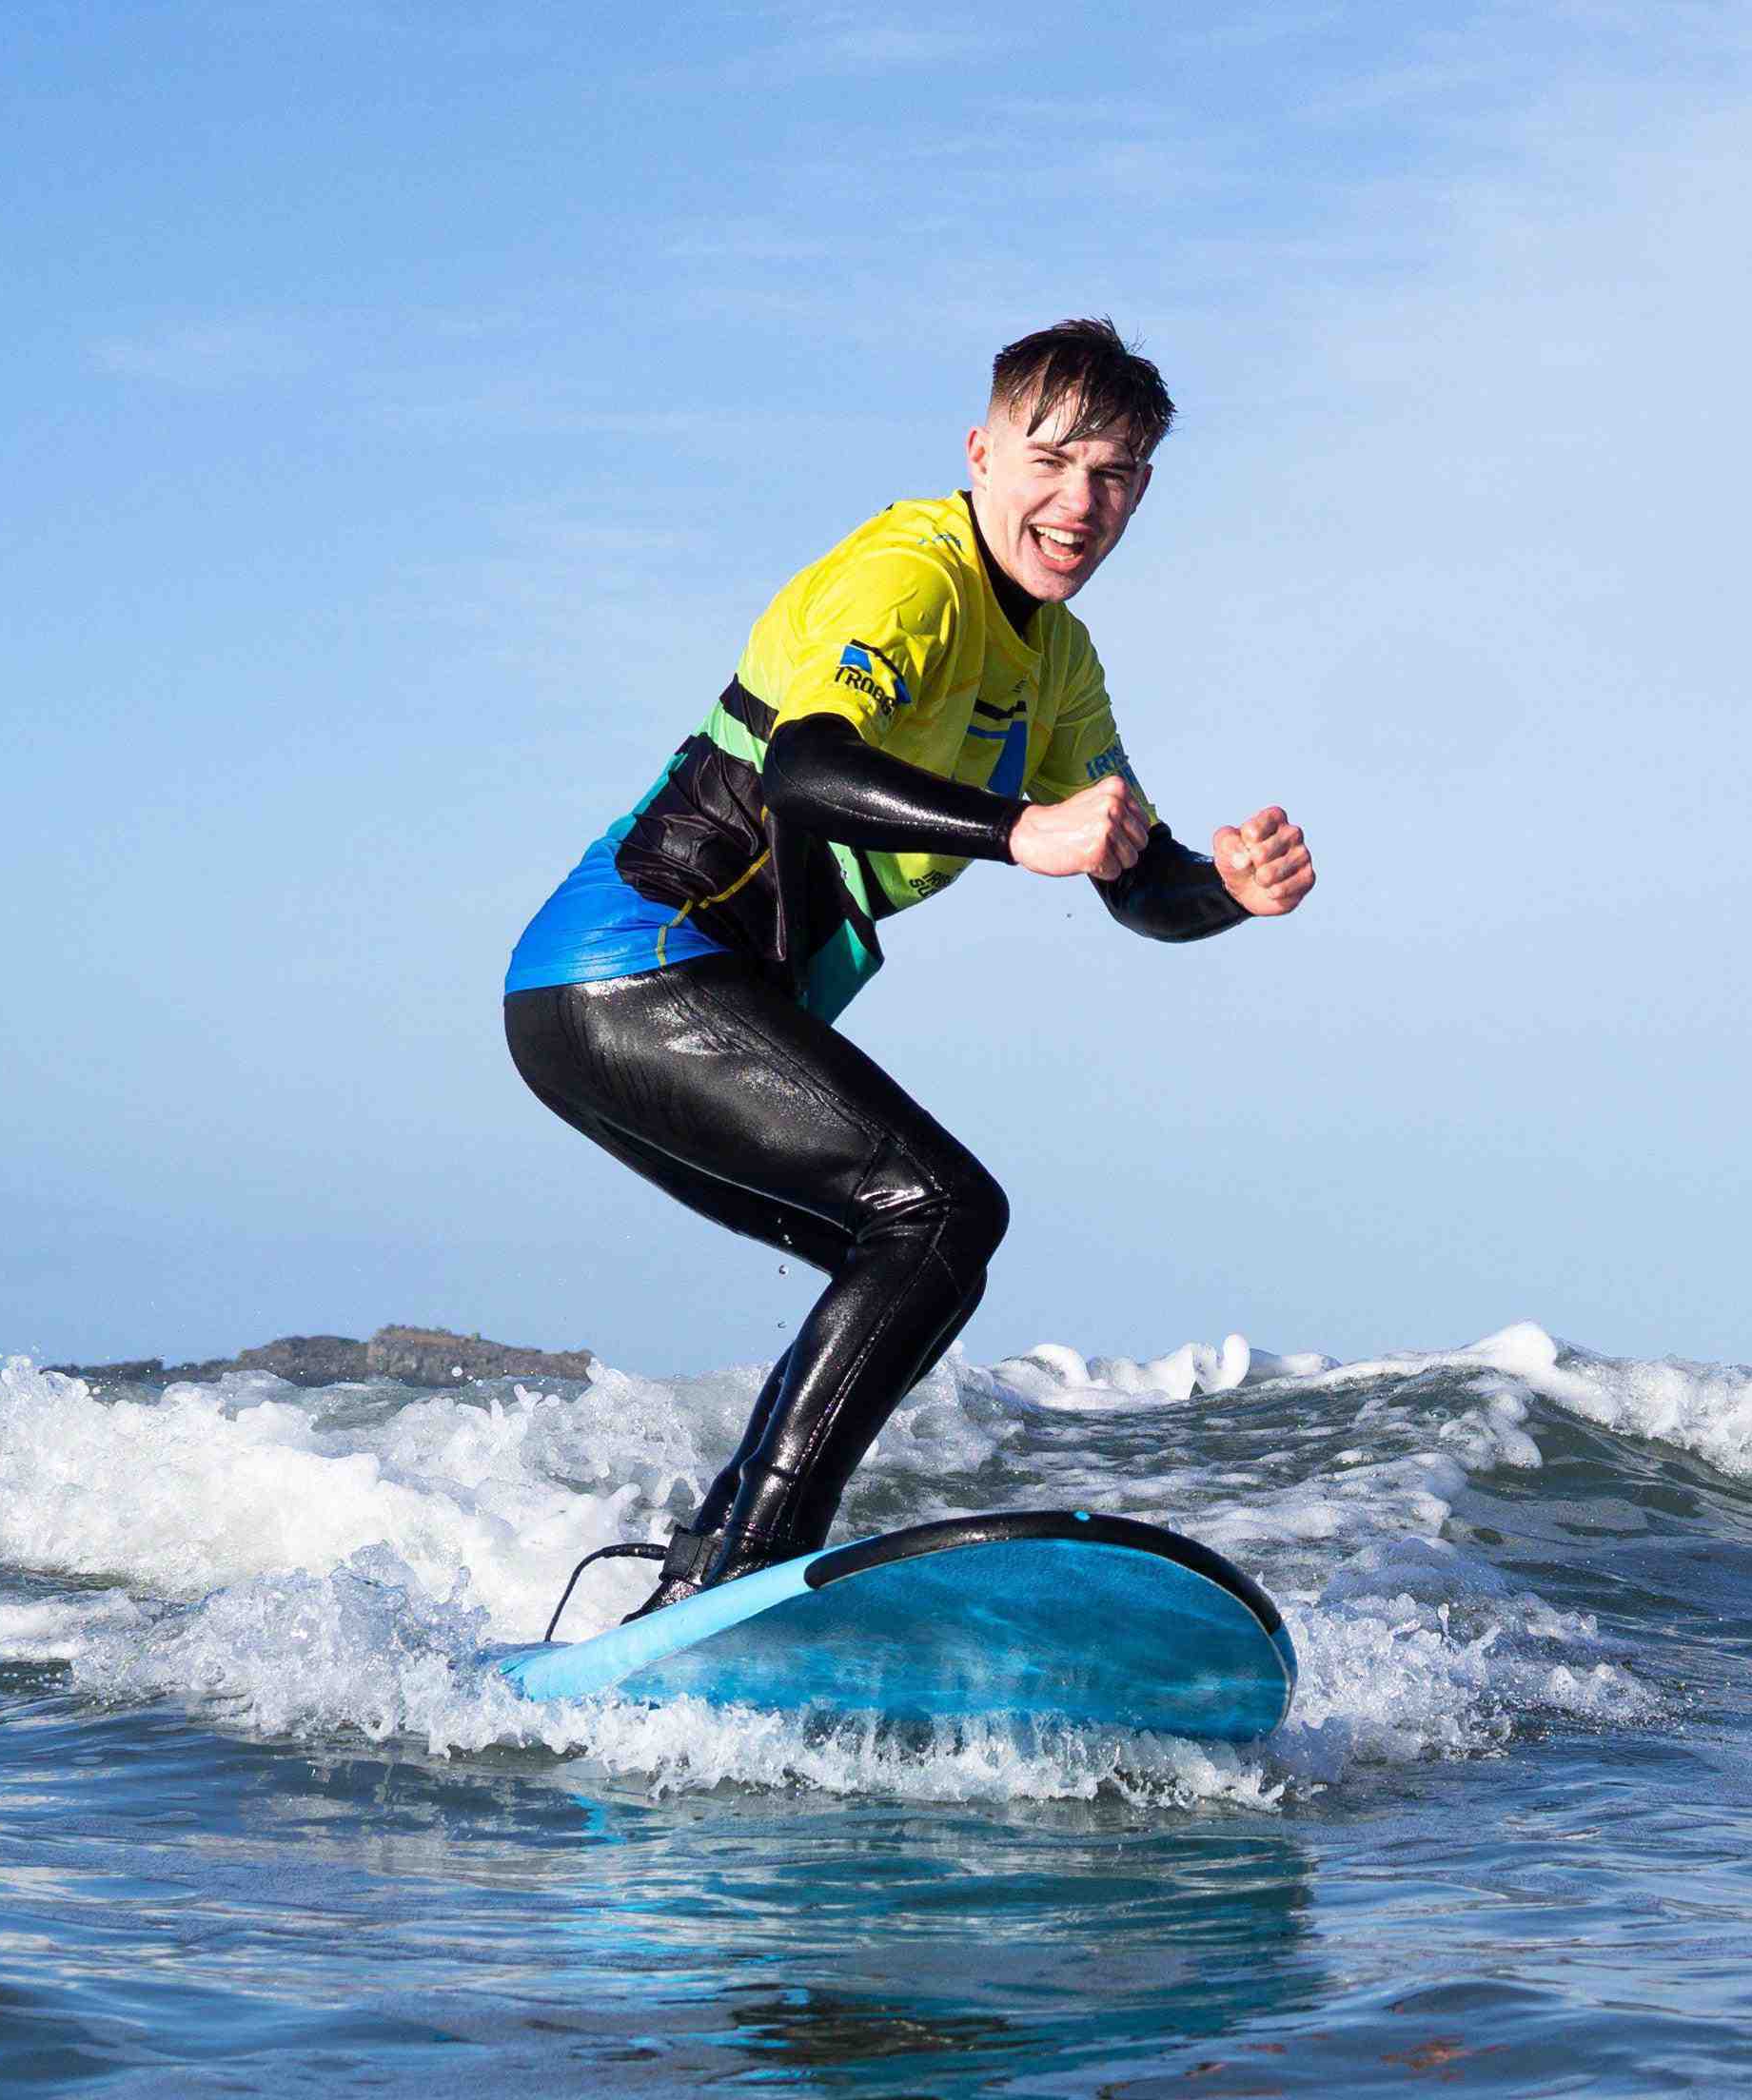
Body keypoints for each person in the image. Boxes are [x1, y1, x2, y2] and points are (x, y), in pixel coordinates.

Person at [502, 319, 1314, 1617]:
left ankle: (700, 1587)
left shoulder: (1059, 664)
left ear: (1142, 494)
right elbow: (803, 767)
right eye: (1050, 460)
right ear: (982, 452)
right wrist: (1014, 831)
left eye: (1114, 476)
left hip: (631, 1000)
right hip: (632, 967)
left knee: (909, 1251)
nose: (1078, 502)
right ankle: (743, 1577)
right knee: (939, 1212)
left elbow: (1137, 880)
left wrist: (1224, 889)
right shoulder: (912, 575)